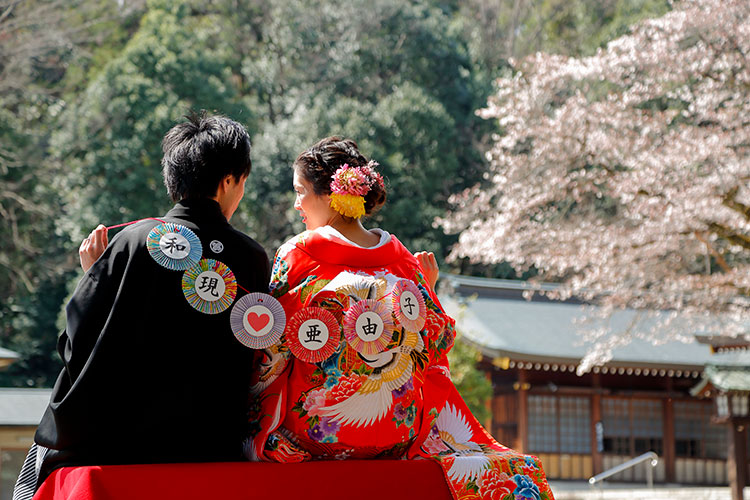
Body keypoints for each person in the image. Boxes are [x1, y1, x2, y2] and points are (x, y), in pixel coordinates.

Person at [246, 137, 555, 500]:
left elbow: (273, 345)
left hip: (316, 434)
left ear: (330, 196)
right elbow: (435, 342)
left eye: (301, 191)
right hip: (400, 430)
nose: (297, 203)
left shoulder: (299, 254)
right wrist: (428, 288)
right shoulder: (403, 260)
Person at [13, 112, 270, 500]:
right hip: (211, 447)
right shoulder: (251, 257)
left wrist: (93, 275)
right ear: (230, 179)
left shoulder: (130, 243)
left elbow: (75, 346)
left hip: (117, 447)